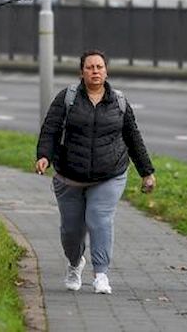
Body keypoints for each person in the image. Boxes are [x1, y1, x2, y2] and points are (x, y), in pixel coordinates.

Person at [36, 49, 156, 295]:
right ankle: (74, 262)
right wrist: (44, 156)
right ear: (82, 72)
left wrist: (147, 172)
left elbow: (133, 137)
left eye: (99, 67)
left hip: (109, 174)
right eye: (90, 67)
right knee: (71, 230)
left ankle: (101, 274)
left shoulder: (119, 102)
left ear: (106, 71)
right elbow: (50, 129)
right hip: (69, 174)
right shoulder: (67, 98)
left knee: (99, 219)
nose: (95, 71)